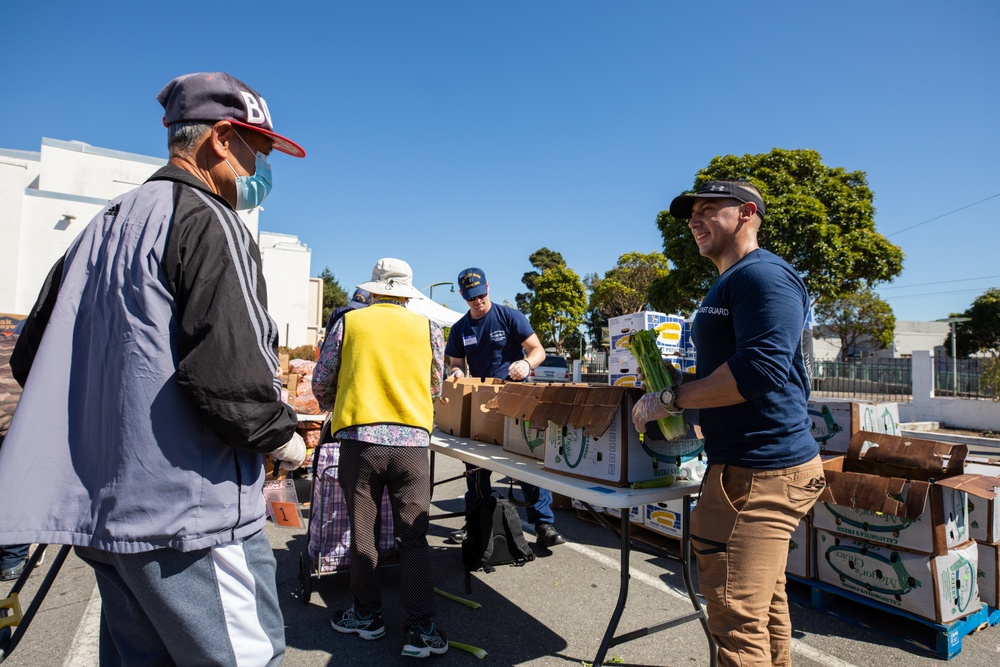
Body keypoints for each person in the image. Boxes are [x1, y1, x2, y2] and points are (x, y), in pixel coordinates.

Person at [0, 72, 308, 665]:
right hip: (191, 515)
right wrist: (285, 440)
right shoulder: (208, 218)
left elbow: (30, 357)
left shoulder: (100, 226)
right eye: (258, 150)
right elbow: (231, 378)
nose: (261, 171)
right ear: (222, 138)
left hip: (105, 515)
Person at [631, 180, 827, 667]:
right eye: (691, 214)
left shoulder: (763, 276)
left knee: (736, 621)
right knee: (763, 605)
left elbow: (760, 370)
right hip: (746, 465)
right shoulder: (730, 280)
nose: (695, 220)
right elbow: (733, 367)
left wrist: (671, 398)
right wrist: (677, 383)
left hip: (758, 471)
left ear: (745, 213)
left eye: (708, 210)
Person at [313, 258, 449, 659]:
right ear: (407, 292)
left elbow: (322, 378)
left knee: (364, 533)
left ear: (372, 289)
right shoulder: (430, 328)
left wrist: (331, 405)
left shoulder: (350, 323)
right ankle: (421, 629)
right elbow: (436, 384)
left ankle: (366, 615)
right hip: (411, 444)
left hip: (360, 441)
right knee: (414, 536)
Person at [445, 267, 566, 548]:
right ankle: (476, 521)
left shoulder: (509, 316)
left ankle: (543, 524)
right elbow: (455, 364)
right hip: (480, 402)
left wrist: (526, 363)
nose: (479, 301)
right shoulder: (461, 328)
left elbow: (538, 350)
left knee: (525, 460)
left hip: (515, 398)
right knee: (475, 466)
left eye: (482, 295)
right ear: (463, 296)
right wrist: (456, 373)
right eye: (472, 297)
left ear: (489, 287)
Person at [0, 325, 29, 582]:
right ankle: (12, 558)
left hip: (11, 422)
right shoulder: (17, 340)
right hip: (17, 424)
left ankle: (12, 556)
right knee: (16, 486)